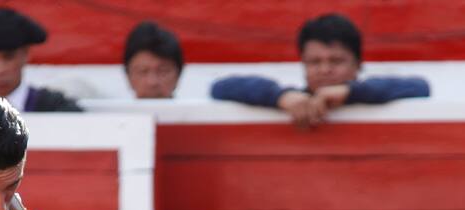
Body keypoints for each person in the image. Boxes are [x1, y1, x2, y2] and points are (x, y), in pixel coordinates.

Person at [211, 13, 429, 129]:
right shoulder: (291, 99)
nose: (325, 70)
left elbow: (420, 87)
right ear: (303, 65)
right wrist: (279, 96)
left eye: (336, 61)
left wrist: (351, 92)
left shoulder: (368, 92)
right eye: (314, 62)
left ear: (358, 64)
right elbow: (220, 88)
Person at [123, 21, 184, 99]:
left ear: (178, 74)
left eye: (163, 71)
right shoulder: (112, 111)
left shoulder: (199, 110)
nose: (152, 82)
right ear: (128, 76)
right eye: (143, 71)